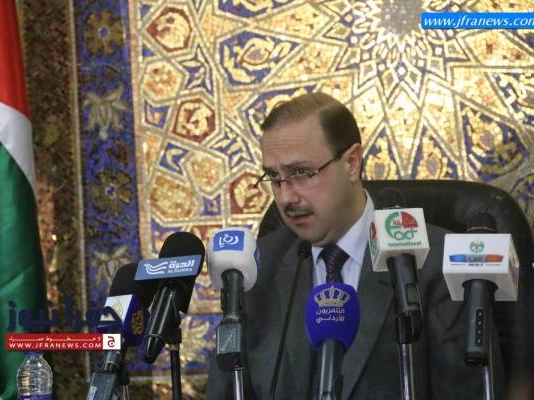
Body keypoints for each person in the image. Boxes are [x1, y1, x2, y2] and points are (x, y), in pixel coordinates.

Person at [206, 92, 518, 399]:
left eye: (301, 173)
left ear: (352, 163)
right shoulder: (254, 268)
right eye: (275, 178)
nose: (286, 197)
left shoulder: (438, 264)